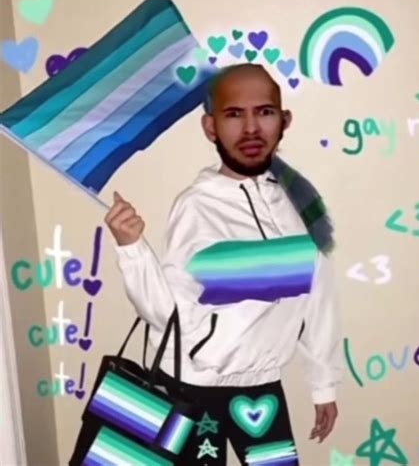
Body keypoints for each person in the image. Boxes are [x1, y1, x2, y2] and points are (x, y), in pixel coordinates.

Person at [104, 63, 343, 465]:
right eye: (234, 115)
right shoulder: (197, 206)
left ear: (283, 120)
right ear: (211, 127)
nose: (251, 129)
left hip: (261, 389)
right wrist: (132, 249)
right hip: (190, 389)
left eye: (264, 112)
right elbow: (166, 315)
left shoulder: (298, 203)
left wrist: (323, 386)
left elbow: (317, 303)